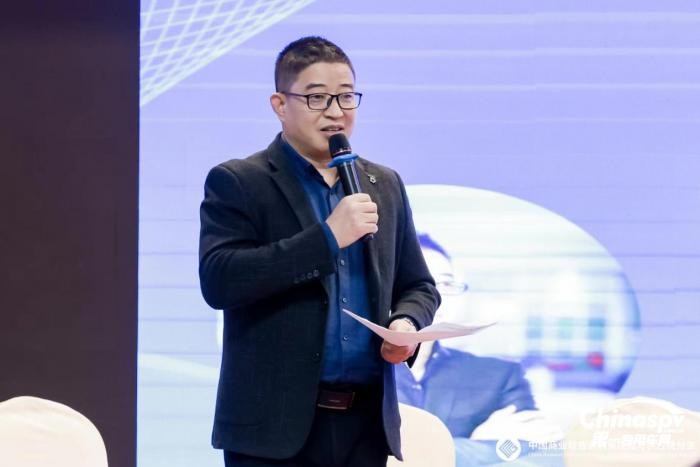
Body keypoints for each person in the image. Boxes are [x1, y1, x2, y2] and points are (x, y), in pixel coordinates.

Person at [198, 36, 440, 467]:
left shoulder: (382, 183)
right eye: (316, 98)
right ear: (279, 104)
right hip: (272, 432)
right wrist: (327, 237)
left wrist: (405, 324)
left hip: (365, 425)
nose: (335, 111)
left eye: (346, 96)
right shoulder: (239, 181)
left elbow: (419, 285)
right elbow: (221, 280)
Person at [395, 234, 563, 466]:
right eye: (420, 285)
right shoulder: (352, 375)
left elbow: (536, 452)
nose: (435, 297)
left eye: (445, 284)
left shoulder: (500, 375)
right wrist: (473, 447)